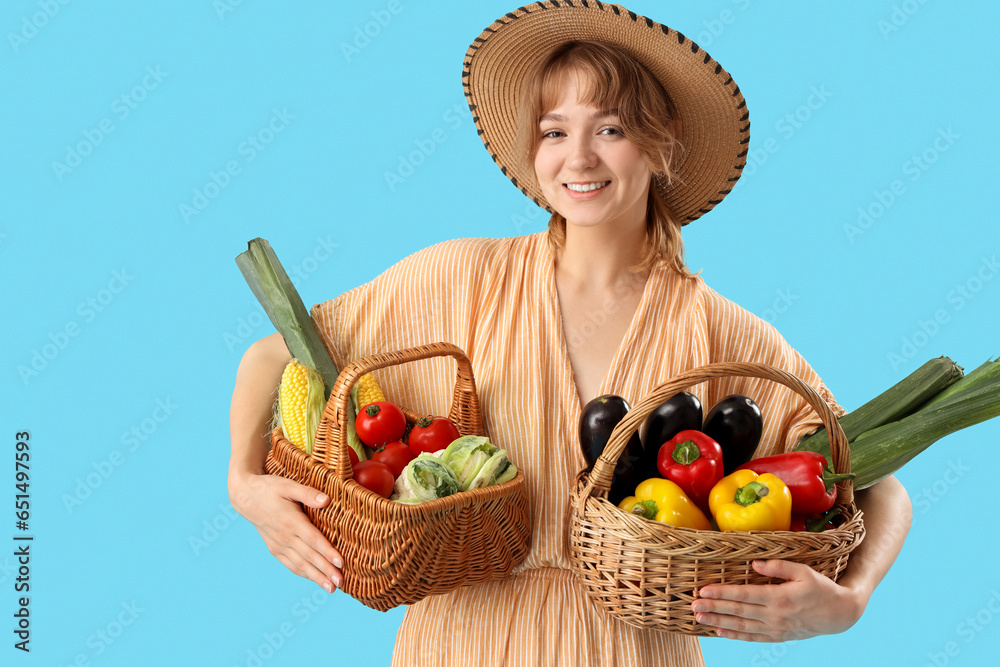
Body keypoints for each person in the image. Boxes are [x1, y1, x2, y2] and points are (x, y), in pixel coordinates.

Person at [228, 4, 912, 665]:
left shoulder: (721, 331)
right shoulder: (459, 278)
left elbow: (875, 482)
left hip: (638, 652)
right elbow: (276, 351)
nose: (578, 158)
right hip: (461, 645)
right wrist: (245, 484)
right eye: (555, 131)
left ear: (660, 141)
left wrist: (849, 600)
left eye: (610, 129)